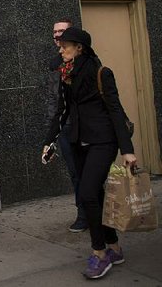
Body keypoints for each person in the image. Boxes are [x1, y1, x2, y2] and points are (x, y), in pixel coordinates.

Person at [42, 27, 136, 280]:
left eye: (65, 45)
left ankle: (100, 253)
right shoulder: (66, 74)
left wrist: (127, 150)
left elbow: (115, 110)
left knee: (86, 193)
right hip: (78, 140)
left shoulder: (100, 73)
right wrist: (48, 142)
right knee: (96, 193)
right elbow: (62, 111)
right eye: (60, 45)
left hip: (103, 140)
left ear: (80, 48)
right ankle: (114, 247)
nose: (60, 50)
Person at [46, 18, 88, 233]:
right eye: (55, 32)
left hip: (86, 127)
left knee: (87, 172)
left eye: (62, 31)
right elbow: (54, 99)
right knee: (75, 172)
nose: (57, 36)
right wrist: (51, 133)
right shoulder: (55, 63)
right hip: (65, 127)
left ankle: (91, 212)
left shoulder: (86, 62)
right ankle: (84, 213)